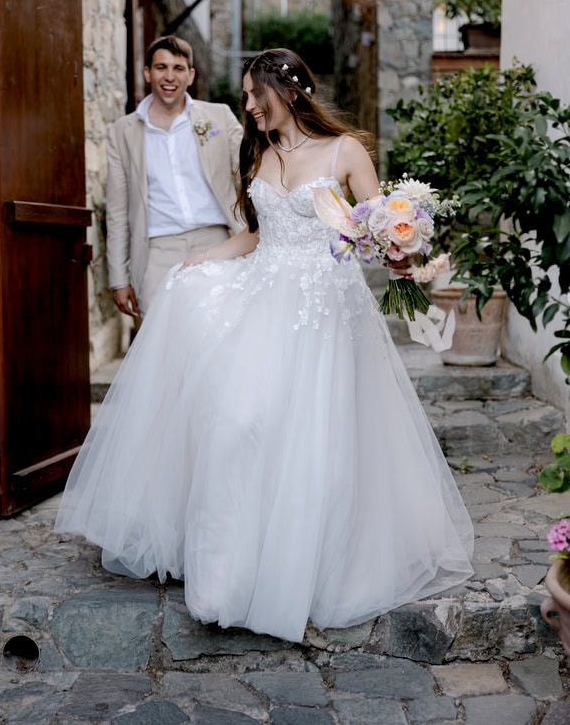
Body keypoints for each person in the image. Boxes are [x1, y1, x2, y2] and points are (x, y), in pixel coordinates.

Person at [55, 48, 474, 643]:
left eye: (257, 95)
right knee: (235, 421)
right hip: (261, 302)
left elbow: (376, 226)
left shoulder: (344, 151)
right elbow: (255, 233)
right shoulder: (260, 153)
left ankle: (300, 572)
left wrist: (401, 254)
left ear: (289, 90)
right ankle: (226, 578)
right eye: (247, 96)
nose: (248, 106)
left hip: (325, 311)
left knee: (312, 439)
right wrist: (201, 260)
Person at [106, 33, 243, 318]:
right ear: (147, 73)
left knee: (218, 339)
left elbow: (251, 174)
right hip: (157, 251)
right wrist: (119, 277)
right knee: (161, 346)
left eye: (178, 68)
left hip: (216, 242)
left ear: (191, 75)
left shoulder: (219, 117)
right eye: (161, 67)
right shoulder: (122, 132)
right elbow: (117, 211)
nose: (170, 77)